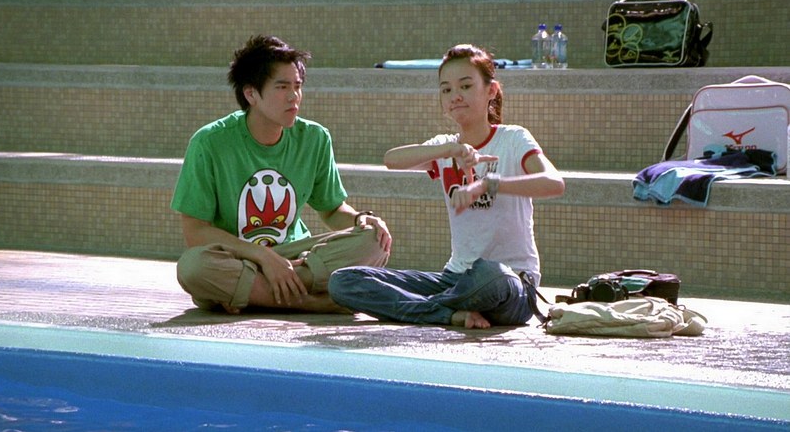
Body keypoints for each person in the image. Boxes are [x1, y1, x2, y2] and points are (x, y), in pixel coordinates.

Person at [329, 44, 565, 329]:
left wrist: (489, 184)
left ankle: (424, 307)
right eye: (446, 90)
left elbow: (554, 183)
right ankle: (447, 313)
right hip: (455, 279)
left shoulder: (514, 138)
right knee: (344, 281)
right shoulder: (444, 147)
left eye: (465, 86)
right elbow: (392, 159)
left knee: (492, 276)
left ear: (491, 90)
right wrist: (450, 150)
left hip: (511, 284)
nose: (455, 96)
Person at [171, 35, 391, 314]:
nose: (293, 96)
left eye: (297, 86)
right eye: (282, 87)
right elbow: (195, 231)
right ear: (251, 94)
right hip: (240, 258)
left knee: (374, 240)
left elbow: (332, 210)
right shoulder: (209, 142)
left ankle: (254, 293)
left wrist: (360, 219)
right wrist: (264, 257)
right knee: (193, 267)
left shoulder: (314, 138)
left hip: (297, 258)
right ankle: (311, 302)